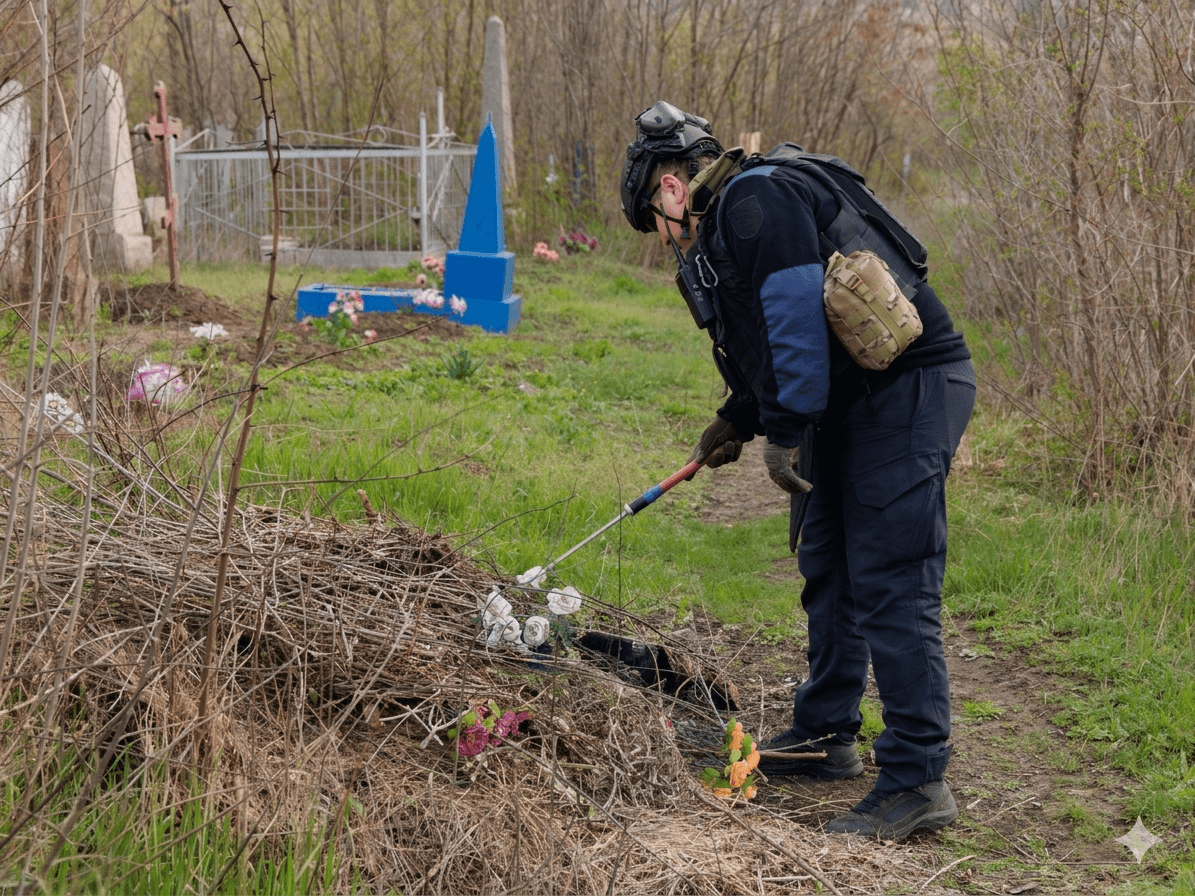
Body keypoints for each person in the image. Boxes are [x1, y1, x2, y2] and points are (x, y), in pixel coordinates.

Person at [621, 101, 975, 840]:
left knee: (891, 581)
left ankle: (917, 779)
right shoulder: (740, 212)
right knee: (829, 565)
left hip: (906, 393)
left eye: (657, 223)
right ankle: (825, 735)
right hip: (853, 402)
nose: (667, 240)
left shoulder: (754, 201)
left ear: (670, 190)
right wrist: (738, 416)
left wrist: (783, 430)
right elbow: (768, 339)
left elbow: (794, 323)